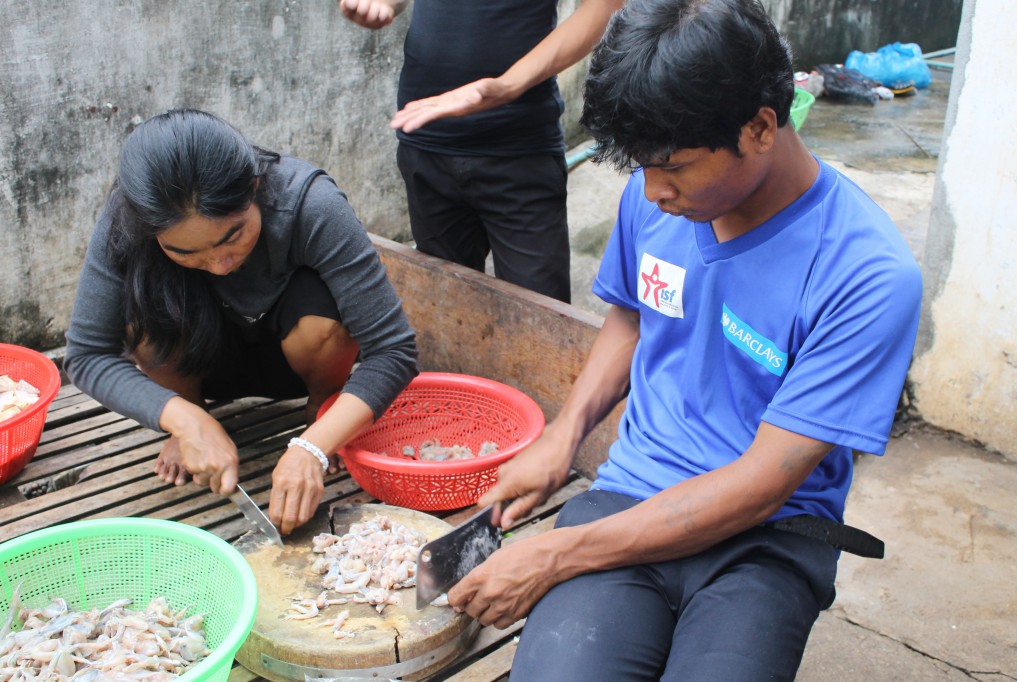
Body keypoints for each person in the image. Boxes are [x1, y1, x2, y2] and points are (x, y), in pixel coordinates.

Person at [447, 0, 923, 679]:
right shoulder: (656, 194)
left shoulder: (867, 274)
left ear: (760, 127)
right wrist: (564, 433)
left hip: (768, 538)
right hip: (631, 491)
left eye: (673, 166)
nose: (653, 191)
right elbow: (634, 315)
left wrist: (556, 553)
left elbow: (761, 486)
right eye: (640, 166)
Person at [64, 109, 419, 535]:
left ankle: (322, 411)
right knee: (144, 310)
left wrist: (313, 447)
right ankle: (193, 416)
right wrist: (180, 418)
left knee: (324, 319)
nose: (219, 264)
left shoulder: (310, 203)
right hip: (197, 363)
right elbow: (87, 355)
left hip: (296, 360)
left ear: (254, 187)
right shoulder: (126, 219)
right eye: (185, 252)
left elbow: (393, 350)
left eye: (233, 235)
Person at [339, 0, 624, 303]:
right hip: (426, 142)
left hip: (518, 150)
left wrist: (508, 85)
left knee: (538, 320)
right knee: (446, 310)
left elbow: (604, 8)